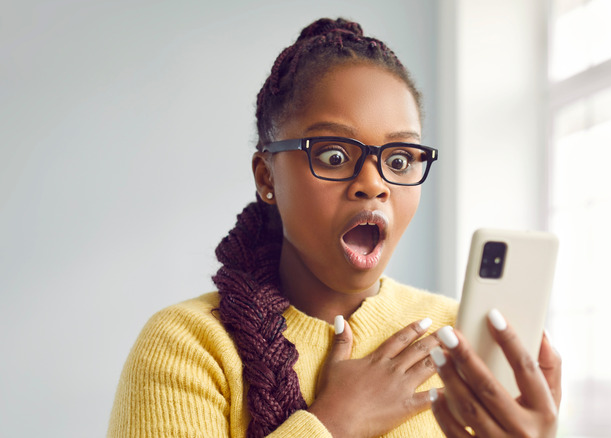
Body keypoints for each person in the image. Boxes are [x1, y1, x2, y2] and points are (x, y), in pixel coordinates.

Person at [108, 17, 561, 438]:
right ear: (267, 177)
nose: (374, 184)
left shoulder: (462, 341)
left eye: (399, 160)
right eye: (333, 156)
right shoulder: (189, 347)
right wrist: (333, 423)